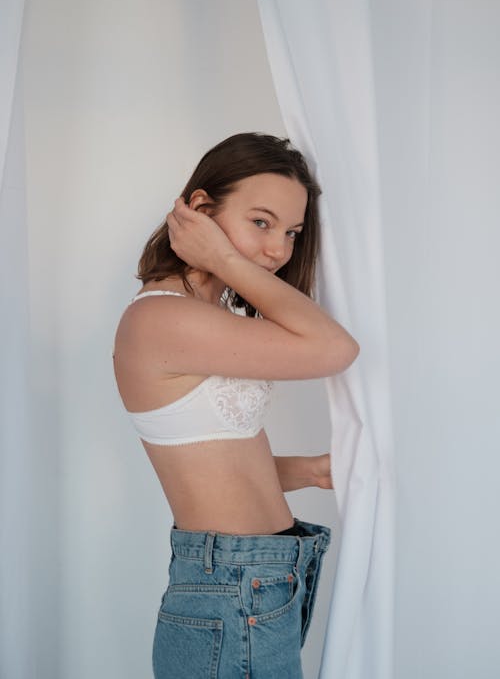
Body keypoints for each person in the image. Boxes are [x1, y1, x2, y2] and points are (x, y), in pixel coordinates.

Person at [112, 132, 360, 678]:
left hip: (255, 578)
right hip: (234, 585)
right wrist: (222, 255)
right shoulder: (163, 319)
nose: (279, 249)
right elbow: (335, 349)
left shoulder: (211, 314)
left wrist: (312, 472)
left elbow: (214, 471)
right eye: (262, 222)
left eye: (292, 232)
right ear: (199, 209)